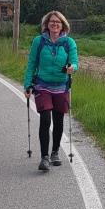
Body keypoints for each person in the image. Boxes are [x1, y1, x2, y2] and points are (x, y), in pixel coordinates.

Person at [23, 10, 79, 172]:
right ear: (47, 24)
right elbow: (31, 64)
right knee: (46, 119)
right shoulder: (39, 41)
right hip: (42, 86)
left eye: (58, 22)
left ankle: (55, 152)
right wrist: (27, 85)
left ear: (63, 25)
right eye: (52, 21)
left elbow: (75, 62)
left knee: (59, 120)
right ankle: (44, 157)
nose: (55, 24)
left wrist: (72, 68)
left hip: (61, 87)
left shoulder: (69, 43)